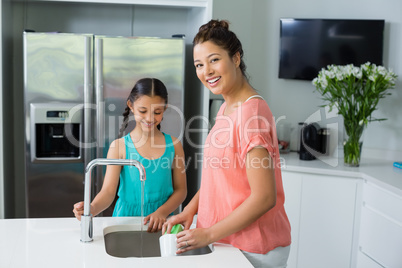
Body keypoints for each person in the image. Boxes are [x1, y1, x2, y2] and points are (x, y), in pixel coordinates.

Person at [162, 20, 291, 267]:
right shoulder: (226, 108)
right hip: (227, 243)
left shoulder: (251, 115)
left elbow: (265, 197)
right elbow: (221, 176)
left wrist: (209, 233)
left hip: (253, 248)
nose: (206, 71)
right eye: (199, 65)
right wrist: (190, 210)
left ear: (236, 58)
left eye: (214, 60)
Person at [73, 78, 187, 233]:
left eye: (157, 112)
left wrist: (162, 212)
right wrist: (91, 208)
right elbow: (108, 192)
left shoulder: (174, 145)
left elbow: (181, 190)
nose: (150, 118)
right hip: (124, 219)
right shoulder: (119, 146)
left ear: (164, 109)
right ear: (131, 106)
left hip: (162, 221)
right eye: (143, 111)